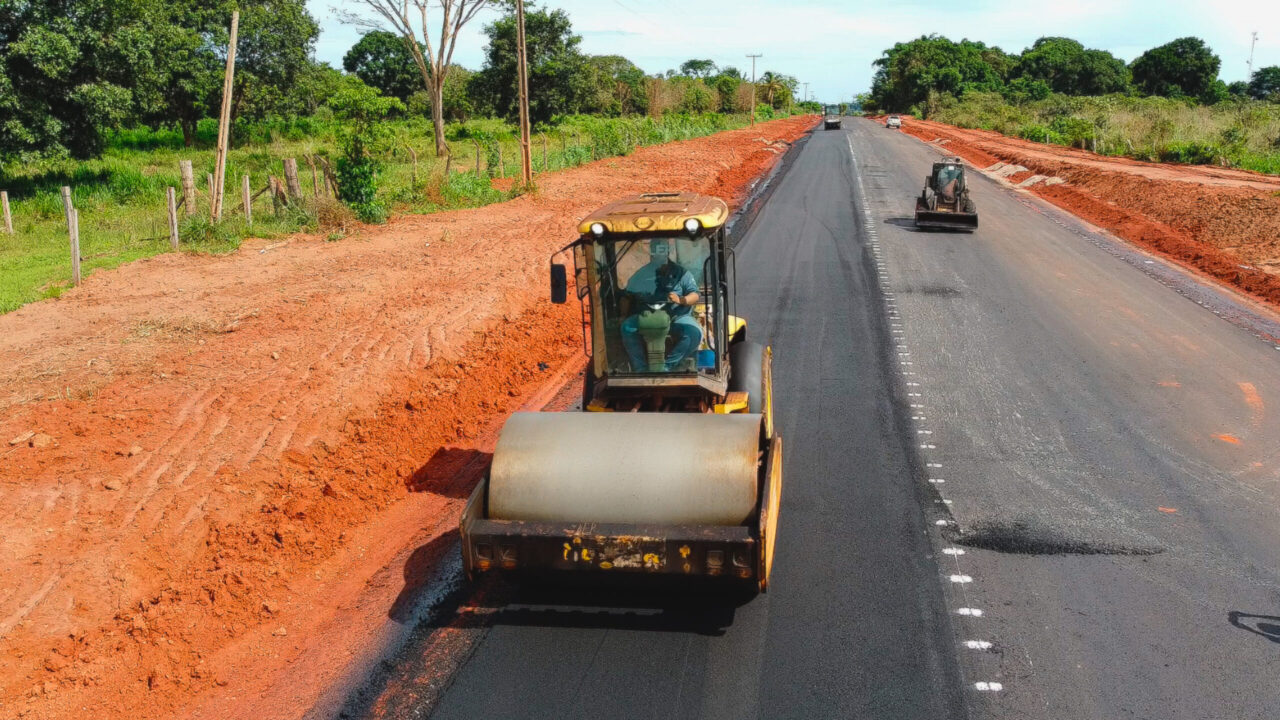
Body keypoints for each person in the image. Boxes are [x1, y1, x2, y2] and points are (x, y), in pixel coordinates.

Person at [620, 239, 702, 371]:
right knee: (627, 327)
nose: (660, 255)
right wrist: (623, 316)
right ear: (651, 253)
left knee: (693, 332)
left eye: (663, 251)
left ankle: (667, 368)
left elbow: (695, 295)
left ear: (667, 252)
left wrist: (681, 300)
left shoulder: (681, 273)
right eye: (656, 251)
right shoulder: (641, 275)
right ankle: (640, 369)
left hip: (676, 318)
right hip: (646, 317)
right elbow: (627, 296)